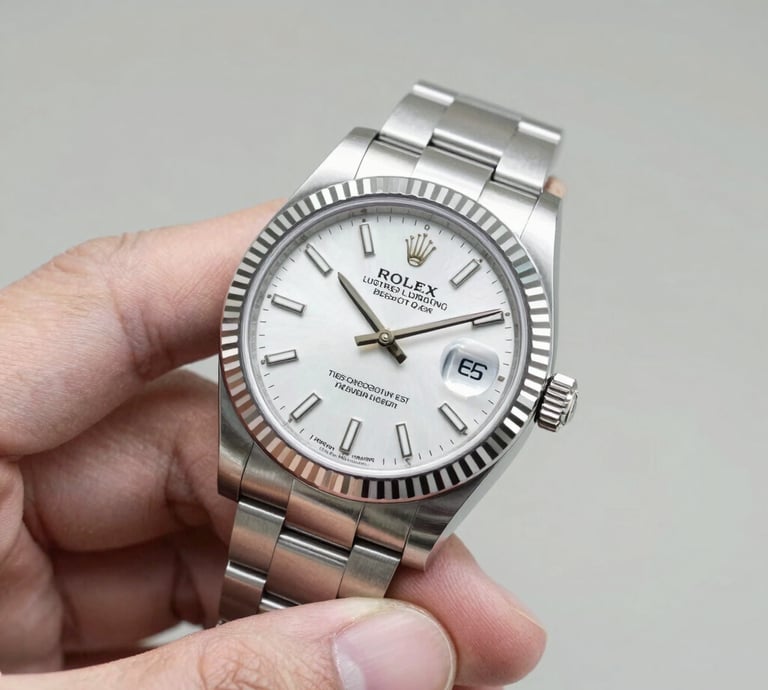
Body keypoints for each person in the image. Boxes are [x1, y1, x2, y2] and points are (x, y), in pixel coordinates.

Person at [0, 200, 548, 689]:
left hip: (374, 492)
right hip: (277, 442)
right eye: (382, 334)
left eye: (392, 343)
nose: (385, 342)